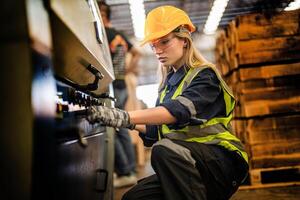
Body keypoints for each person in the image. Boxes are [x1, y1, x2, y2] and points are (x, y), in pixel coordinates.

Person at [89, 5, 249, 200]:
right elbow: (157, 131)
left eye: (164, 42)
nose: (158, 51)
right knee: (133, 198)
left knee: (163, 150)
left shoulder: (204, 75)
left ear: (184, 39)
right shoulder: (167, 86)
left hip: (221, 163)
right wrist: (122, 121)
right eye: (154, 45)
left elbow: (176, 112)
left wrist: (125, 115)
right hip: (188, 162)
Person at [97, 1, 141, 188]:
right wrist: (127, 70)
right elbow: (137, 52)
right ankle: (130, 170)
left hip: (111, 86)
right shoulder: (120, 35)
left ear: (101, 13)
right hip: (121, 83)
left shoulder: (103, 33)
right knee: (121, 125)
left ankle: (124, 170)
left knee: (110, 123)